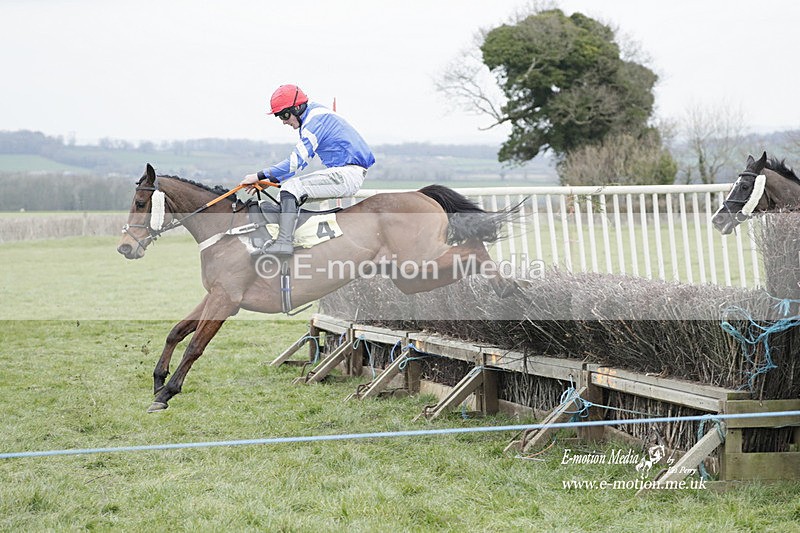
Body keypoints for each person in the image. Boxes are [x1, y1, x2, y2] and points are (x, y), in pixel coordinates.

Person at [241, 84, 375, 255]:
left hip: (347, 174)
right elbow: (299, 165)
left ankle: (284, 243)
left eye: (285, 115)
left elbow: (294, 163)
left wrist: (258, 175)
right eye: (279, 116)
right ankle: (289, 239)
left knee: (292, 188)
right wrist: (270, 181)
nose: (283, 121)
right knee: (284, 194)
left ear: (297, 108)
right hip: (346, 172)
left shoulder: (314, 122)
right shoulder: (312, 116)